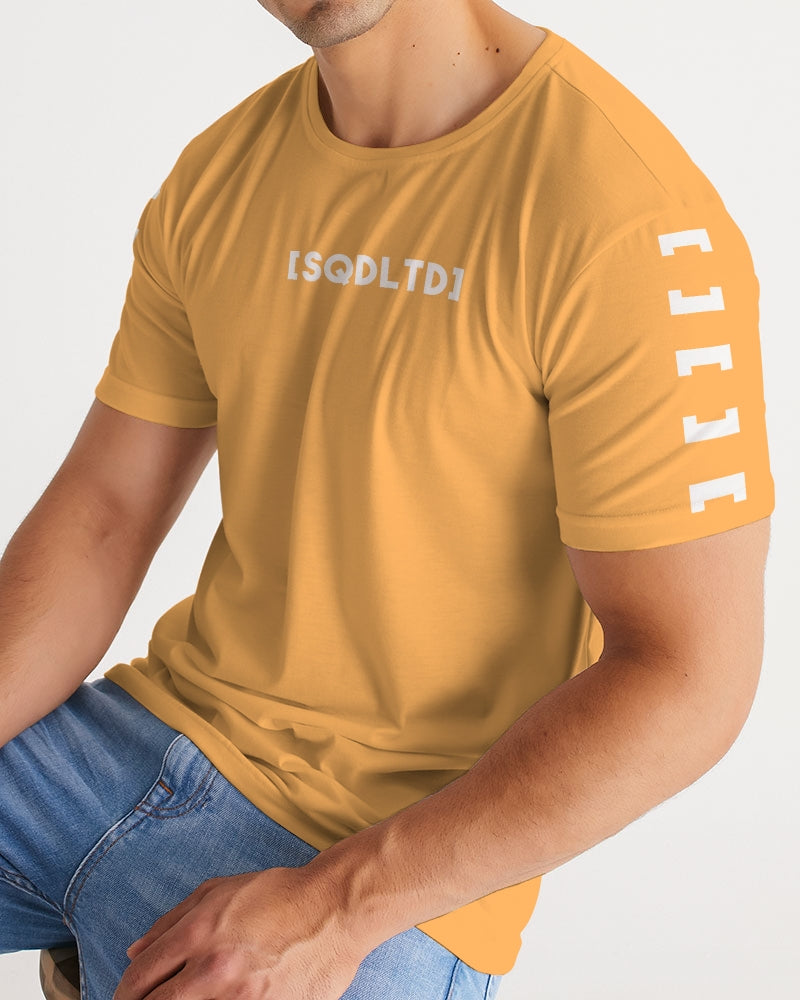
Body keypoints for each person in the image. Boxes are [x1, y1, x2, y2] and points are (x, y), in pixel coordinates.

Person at [0, 1, 775, 998]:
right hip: (128, 739)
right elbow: (105, 513)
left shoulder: (629, 216)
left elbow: (690, 678)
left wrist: (336, 907)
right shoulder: (220, 174)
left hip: (376, 852)